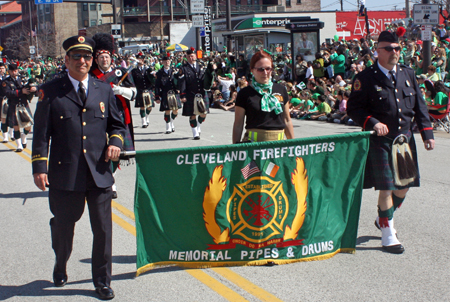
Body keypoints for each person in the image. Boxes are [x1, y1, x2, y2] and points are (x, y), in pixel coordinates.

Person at [32, 35, 126, 300]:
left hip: (98, 172)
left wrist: (116, 143)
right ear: (67, 60)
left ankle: (102, 281)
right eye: (77, 57)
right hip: (65, 174)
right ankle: (60, 263)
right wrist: (40, 167)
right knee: (64, 227)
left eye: (87, 56)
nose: (83, 61)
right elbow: (41, 133)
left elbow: (117, 126)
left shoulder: (104, 89)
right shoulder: (51, 91)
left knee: (103, 230)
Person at [347, 30, 435, 254]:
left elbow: (420, 106)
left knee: (404, 187)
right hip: (381, 140)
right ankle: (388, 233)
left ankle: (383, 217)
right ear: (378, 51)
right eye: (389, 49)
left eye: (397, 48)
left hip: (404, 140)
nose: (395, 52)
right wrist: (372, 122)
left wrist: (427, 133)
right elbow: (354, 108)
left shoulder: (408, 73)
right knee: (387, 187)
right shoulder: (365, 78)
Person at [90, 32, 137, 200]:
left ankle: (112, 180)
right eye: (101, 57)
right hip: (99, 118)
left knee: (117, 152)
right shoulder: (91, 75)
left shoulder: (121, 72)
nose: (104, 60)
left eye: (107, 57)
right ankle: (108, 182)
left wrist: (119, 90)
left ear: (111, 57)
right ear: (96, 59)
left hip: (119, 117)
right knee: (103, 151)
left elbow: (134, 93)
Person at [232, 50, 294, 143]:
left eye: (268, 68)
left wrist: (293, 145)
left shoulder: (281, 89)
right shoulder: (245, 93)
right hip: (254, 146)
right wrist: (235, 149)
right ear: (252, 70)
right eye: (261, 69)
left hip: (278, 147)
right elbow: (238, 124)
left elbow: (287, 120)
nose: (265, 72)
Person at [2, 63, 36, 151]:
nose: (14, 72)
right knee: (16, 126)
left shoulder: (22, 79)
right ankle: (19, 145)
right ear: (9, 71)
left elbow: (30, 87)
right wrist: (21, 92)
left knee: (28, 125)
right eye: (12, 71)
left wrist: (32, 89)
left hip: (24, 104)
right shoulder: (6, 82)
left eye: (15, 70)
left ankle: (23, 136)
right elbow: (8, 93)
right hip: (14, 105)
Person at [178, 48, 207, 140]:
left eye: (192, 56)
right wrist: (182, 95)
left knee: (203, 114)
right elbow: (182, 83)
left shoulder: (201, 66)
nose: (191, 58)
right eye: (189, 56)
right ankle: (195, 133)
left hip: (201, 93)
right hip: (190, 94)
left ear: (195, 56)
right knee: (192, 114)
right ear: (186, 57)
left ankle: (198, 125)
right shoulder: (183, 68)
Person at [155, 56, 181, 134]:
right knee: (167, 110)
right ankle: (168, 126)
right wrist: (157, 96)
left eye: (168, 61)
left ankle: (171, 121)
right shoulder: (159, 73)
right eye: (165, 61)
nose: (167, 62)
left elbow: (179, 81)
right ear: (162, 62)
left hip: (174, 92)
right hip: (165, 93)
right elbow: (157, 85)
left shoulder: (174, 70)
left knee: (175, 110)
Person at [131, 55, 155, 128]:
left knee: (149, 107)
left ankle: (147, 116)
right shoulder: (134, 71)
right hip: (140, 90)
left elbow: (153, 80)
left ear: (143, 60)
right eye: (138, 59)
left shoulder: (148, 69)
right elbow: (132, 81)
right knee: (142, 107)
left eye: (141, 59)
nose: (140, 60)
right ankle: (143, 121)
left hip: (148, 89)